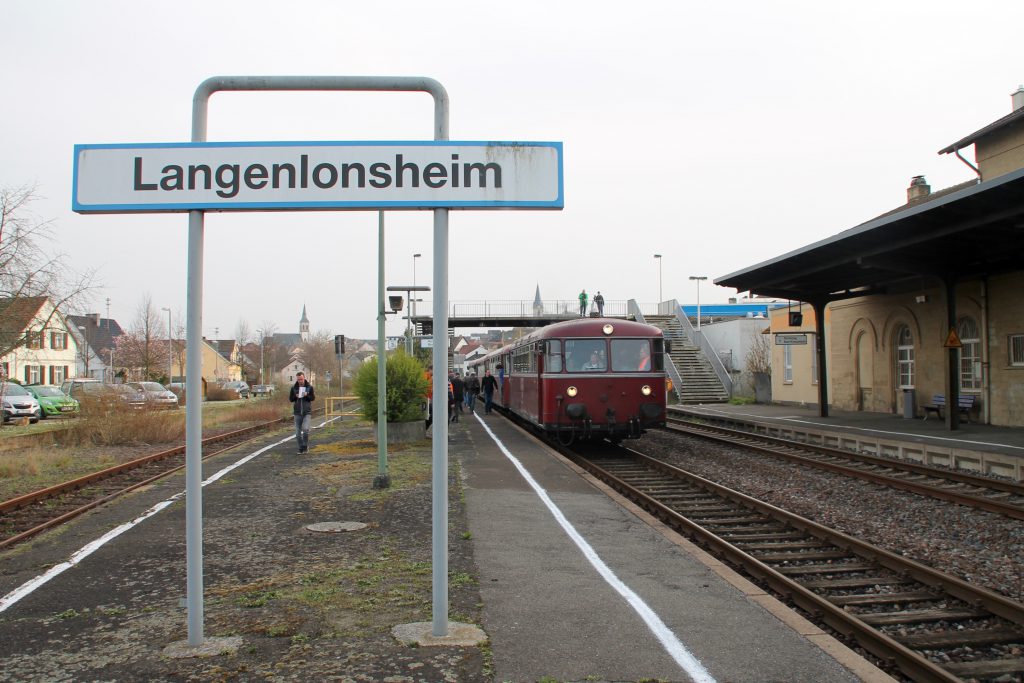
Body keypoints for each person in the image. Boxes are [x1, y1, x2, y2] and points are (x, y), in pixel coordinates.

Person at [288, 372, 316, 454]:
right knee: (297, 433)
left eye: (301, 379)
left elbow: (313, 398)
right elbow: (291, 399)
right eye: (298, 379)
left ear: (304, 378)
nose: (300, 381)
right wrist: (295, 396)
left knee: (305, 429)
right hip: (297, 413)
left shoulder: (309, 387)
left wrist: (307, 395)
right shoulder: (293, 388)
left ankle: (305, 446)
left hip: (307, 412)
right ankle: (301, 448)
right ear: (297, 379)